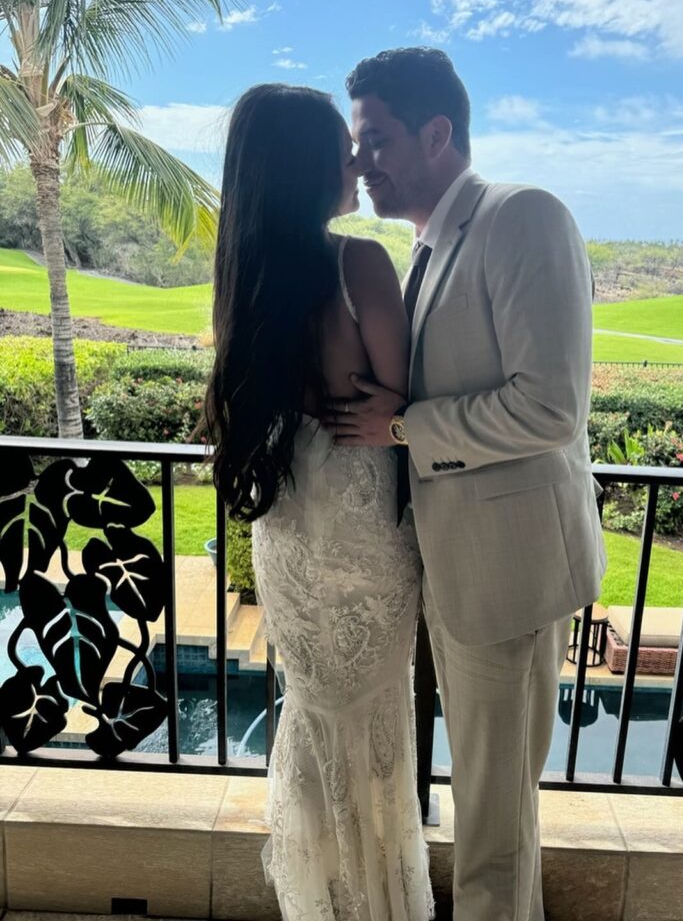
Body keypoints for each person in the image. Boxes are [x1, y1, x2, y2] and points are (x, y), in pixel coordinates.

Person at [328, 48, 607, 921]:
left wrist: (404, 428)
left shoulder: (522, 217)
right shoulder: (426, 243)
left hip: (508, 573)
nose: (358, 161)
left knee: (493, 816)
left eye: (374, 139)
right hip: (450, 565)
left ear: (437, 132)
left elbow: (549, 407)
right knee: (483, 800)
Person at [204, 83, 434, 921]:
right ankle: (378, 902)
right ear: (308, 167)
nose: (354, 163)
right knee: (372, 718)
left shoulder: (248, 272)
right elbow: (401, 396)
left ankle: (326, 900)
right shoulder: (359, 262)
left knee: (316, 711)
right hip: (362, 520)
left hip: (291, 526)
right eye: (340, 149)